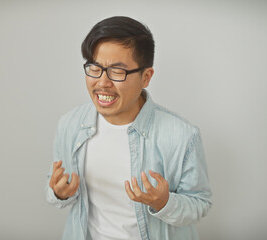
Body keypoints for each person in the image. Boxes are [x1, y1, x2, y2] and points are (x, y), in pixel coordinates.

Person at [45, 16, 212, 240]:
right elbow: (55, 184)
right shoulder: (70, 124)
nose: (102, 82)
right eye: (95, 68)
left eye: (117, 71)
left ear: (146, 77)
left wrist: (164, 202)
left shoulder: (182, 136)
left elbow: (200, 203)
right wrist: (59, 193)